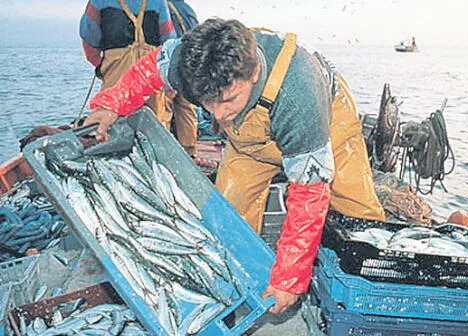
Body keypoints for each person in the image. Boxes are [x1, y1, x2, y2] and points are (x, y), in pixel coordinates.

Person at [85, 18, 385, 314]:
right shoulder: (194, 63)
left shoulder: (299, 98)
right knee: (228, 219)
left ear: (253, 73)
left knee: (357, 212)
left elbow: (310, 191)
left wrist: (289, 278)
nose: (217, 113)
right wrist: (111, 105)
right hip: (249, 140)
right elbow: (150, 69)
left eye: (227, 99)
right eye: (207, 101)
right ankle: (238, 292)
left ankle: (374, 298)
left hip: (327, 122)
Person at [79, 0, 176, 127]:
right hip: (152, 72)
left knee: (109, 124)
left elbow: (89, 37)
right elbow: (169, 40)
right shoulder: (159, 2)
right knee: (155, 124)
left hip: (115, 69)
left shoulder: (98, 2)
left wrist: (101, 64)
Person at [165, 0, 200, 157]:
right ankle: (190, 149)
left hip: (172, 66)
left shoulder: (163, 7)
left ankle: (164, 153)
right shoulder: (188, 10)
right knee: (186, 108)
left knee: (164, 108)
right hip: (189, 67)